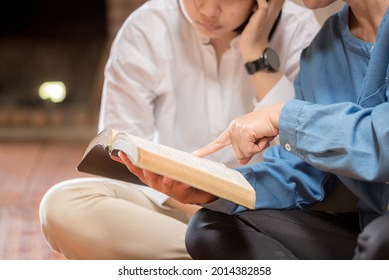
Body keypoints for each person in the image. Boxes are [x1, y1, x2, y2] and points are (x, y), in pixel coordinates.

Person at [39, 0, 320, 259]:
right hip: (169, 209)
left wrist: (256, 53)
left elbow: (306, 153)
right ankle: (238, 263)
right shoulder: (146, 28)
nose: (209, 11)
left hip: (265, 214)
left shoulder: (298, 29)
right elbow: (120, 150)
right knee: (61, 206)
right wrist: (188, 200)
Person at [119, 0, 389, 259]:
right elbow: (301, 170)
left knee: (380, 240)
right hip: (367, 229)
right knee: (210, 228)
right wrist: (216, 189)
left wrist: (283, 117)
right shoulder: (322, 50)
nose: (209, 9)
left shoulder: (302, 34)